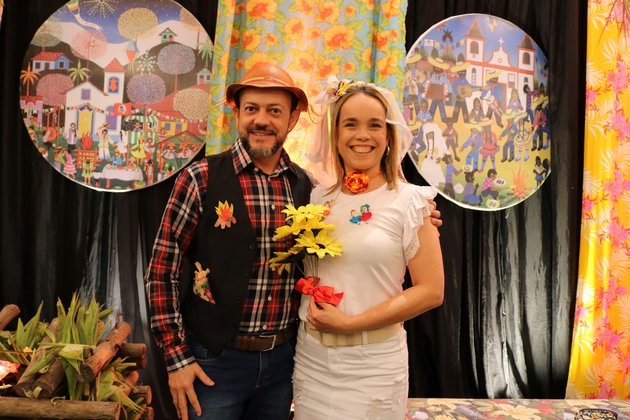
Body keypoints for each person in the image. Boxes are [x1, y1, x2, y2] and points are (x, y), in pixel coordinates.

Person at [145, 64, 443, 420]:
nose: (262, 120)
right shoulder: (202, 178)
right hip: (216, 363)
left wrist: (417, 218)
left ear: (292, 119)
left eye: (275, 111)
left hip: (283, 362)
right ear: (237, 113)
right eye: (252, 108)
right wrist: (176, 358)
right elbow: (161, 271)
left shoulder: (306, 188)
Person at [293, 79, 444, 419]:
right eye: (351, 124)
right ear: (335, 134)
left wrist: (351, 323)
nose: (362, 135)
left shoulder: (411, 200)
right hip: (312, 361)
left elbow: (431, 291)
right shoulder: (317, 197)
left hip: (373, 365)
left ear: (389, 136)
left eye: (375, 125)